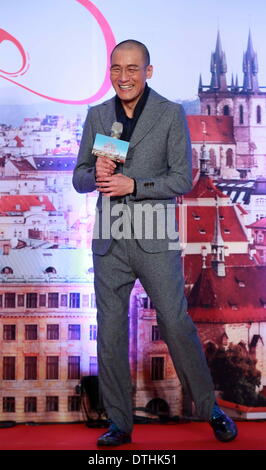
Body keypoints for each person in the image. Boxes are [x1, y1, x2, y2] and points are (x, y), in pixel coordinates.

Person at [72, 39, 237, 446]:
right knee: (109, 334)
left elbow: (181, 179)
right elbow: (78, 178)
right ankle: (119, 423)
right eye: (116, 68)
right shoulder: (97, 116)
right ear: (109, 72)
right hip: (109, 240)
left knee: (177, 326)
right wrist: (96, 173)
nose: (123, 77)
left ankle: (210, 409)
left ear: (148, 71)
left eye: (132, 68)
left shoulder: (169, 114)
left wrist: (135, 184)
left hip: (155, 238)